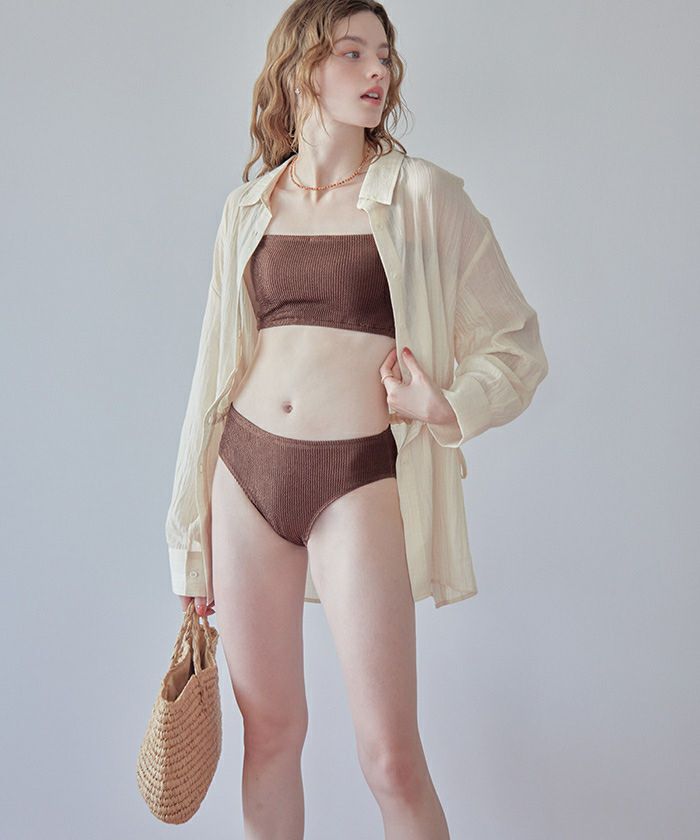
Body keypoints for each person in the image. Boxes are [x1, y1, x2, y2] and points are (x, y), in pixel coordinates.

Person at [164, 1, 548, 836]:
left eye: (384, 54)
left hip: (355, 477)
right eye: (353, 52)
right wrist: (189, 536)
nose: (378, 70)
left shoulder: (421, 196)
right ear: (303, 65)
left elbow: (516, 342)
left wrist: (446, 405)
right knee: (271, 736)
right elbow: (210, 379)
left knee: (390, 759)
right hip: (244, 477)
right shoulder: (248, 207)